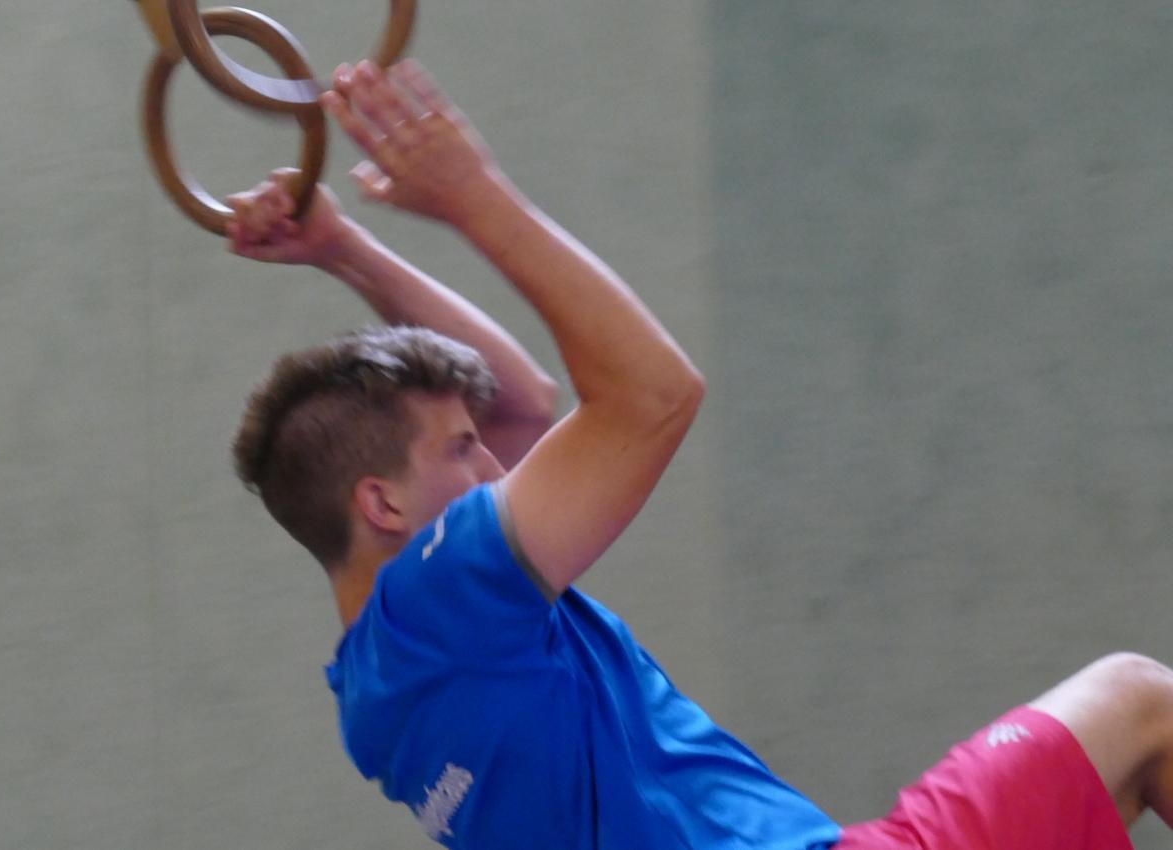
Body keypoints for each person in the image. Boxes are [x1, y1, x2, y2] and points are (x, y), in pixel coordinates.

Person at [224, 59, 1173, 850]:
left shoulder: (378, 690)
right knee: (1141, 705)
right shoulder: (443, 596)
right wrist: (473, 197)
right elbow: (652, 394)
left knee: (1126, 751)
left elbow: (519, 403)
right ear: (383, 504)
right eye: (462, 450)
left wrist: (343, 249)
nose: (496, 466)